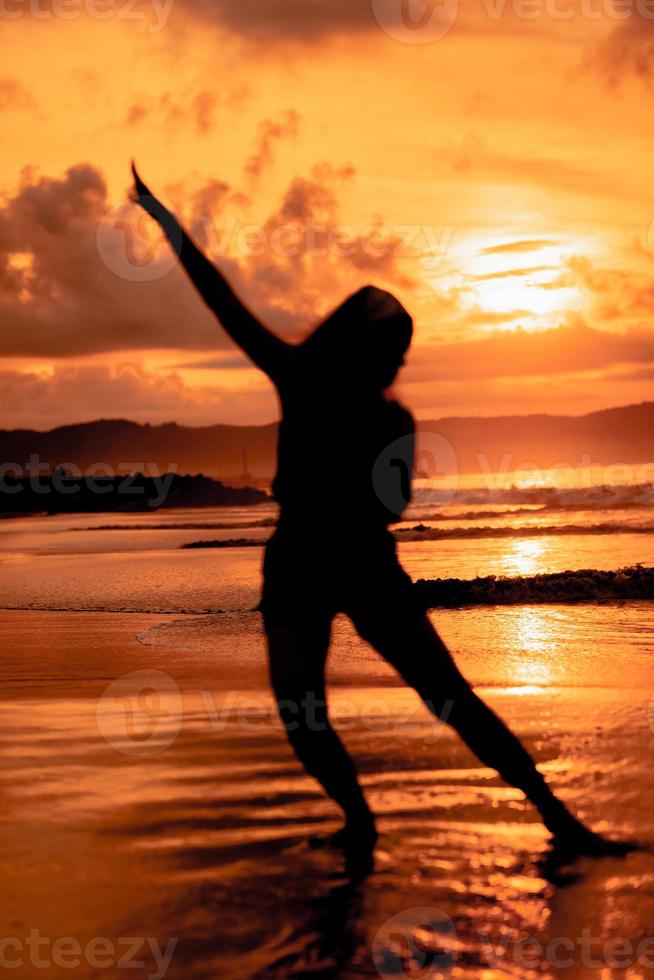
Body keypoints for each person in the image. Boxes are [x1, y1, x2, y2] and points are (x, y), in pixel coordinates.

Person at [130, 164, 624, 874]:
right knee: (303, 712)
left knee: (448, 698)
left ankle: (557, 817)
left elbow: (392, 509)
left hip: (361, 565)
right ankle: (361, 823)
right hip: (302, 562)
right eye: (393, 349)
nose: (399, 362)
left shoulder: (390, 416)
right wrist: (166, 221)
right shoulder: (304, 376)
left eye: (404, 352)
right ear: (362, 347)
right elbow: (220, 298)